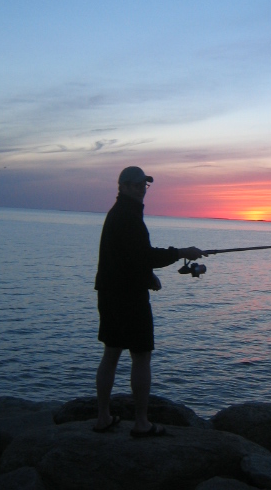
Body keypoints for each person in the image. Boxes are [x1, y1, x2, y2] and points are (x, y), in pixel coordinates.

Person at [93, 166, 206, 437]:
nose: (145, 189)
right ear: (126, 186)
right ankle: (141, 423)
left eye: (146, 184)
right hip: (128, 297)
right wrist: (182, 252)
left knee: (111, 352)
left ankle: (102, 417)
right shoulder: (128, 216)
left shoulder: (118, 214)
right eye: (141, 185)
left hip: (109, 292)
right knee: (141, 356)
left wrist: (148, 277)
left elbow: (127, 257)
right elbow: (144, 255)